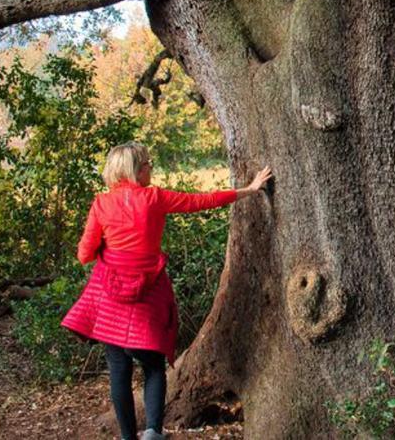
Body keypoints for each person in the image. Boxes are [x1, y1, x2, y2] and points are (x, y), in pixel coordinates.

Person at [62, 142, 272, 440]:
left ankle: (128, 437)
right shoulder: (155, 198)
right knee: (153, 366)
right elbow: (203, 201)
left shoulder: (102, 204)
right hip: (147, 298)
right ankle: (152, 432)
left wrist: (108, 248)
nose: (151, 167)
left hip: (110, 302)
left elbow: (84, 254)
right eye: (147, 163)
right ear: (135, 170)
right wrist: (250, 189)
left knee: (119, 369)